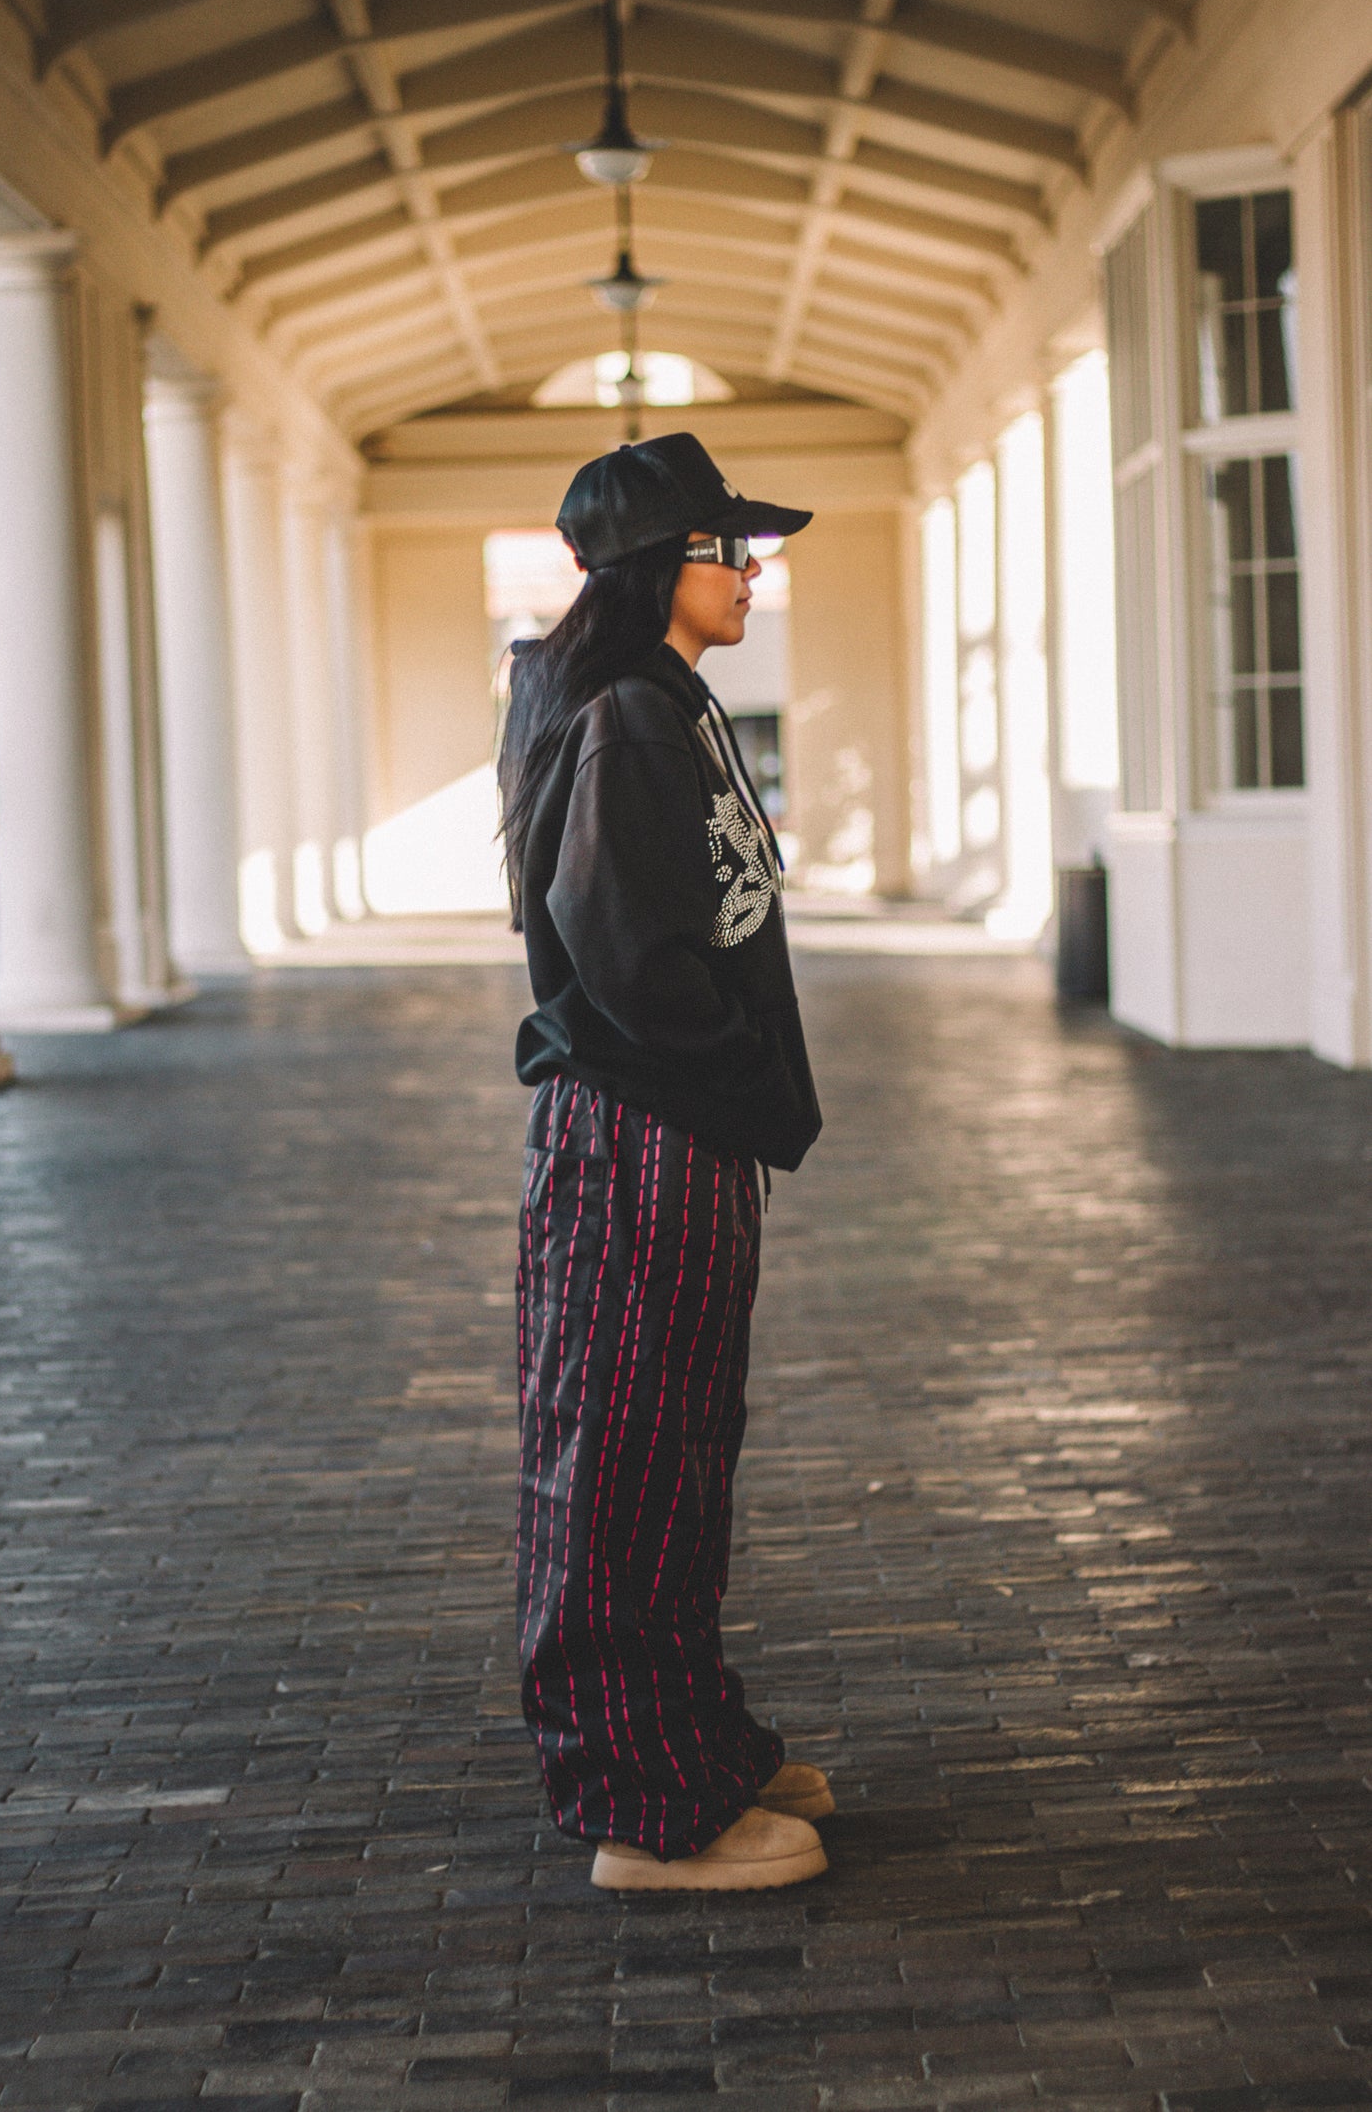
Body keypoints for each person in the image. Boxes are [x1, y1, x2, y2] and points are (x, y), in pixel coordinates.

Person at [498, 432, 830, 1893]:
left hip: (668, 1126)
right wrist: (733, 1073)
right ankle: (643, 1807)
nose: (752, 572)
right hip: (648, 1125)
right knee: (628, 1457)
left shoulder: (654, 698)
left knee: (678, 1451)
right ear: (662, 569)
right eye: (728, 549)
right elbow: (625, 948)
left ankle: (691, 1738)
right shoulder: (628, 710)